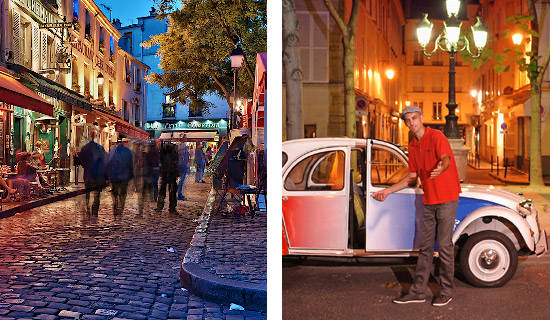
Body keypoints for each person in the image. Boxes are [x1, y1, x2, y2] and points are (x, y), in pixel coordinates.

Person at [372, 106, 461, 307]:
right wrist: (387, 191)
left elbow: (446, 158)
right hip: (428, 200)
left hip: (447, 198)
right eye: (408, 120)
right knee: (425, 248)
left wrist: (442, 166)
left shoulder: (436, 136)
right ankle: (418, 291)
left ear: (421, 118)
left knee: (445, 246)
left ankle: (446, 291)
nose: (411, 122)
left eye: (414, 118)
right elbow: (411, 178)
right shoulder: (412, 146)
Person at [71, 129, 108, 216]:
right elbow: (105, 160)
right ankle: (95, 210)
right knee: (97, 194)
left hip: (88, 174)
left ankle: (87, 207)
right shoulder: (100, 148)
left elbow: (80, 160)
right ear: (96, 136)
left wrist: (77, 156)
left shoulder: (85, 148)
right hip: (98, 174)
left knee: (87, 192)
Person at [106, 136, 134, 215]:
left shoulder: (112, 151)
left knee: (115, 191)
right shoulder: (128, 151)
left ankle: (115, 203)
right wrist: (131, 174)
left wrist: (107, 175)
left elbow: (108, 163)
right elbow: (130, 164)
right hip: (124, 176)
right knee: (123, 192)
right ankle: (121, 206)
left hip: (114, 176)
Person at [156, 142, 179, 213]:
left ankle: (160, 207)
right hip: (172, 174)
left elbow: (160, 162)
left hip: (165, 174)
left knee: (162, 192)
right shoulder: (174, 153)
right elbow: (176, 163)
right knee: (172, 192)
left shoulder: (163, 152)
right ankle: (172, 208)